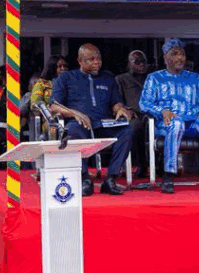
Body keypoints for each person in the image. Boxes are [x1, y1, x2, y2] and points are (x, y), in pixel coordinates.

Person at [50, 44, 138, 196]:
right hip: (80, 124)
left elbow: (115, 102)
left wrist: (120, 109)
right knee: (72, 130)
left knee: (127, 129)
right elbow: (54, 106)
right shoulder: (66, 78)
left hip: (104, 123)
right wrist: (74, 113)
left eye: (98, 59)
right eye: (91, 59)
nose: (97, 62)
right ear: (80, 61)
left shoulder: (108, 77)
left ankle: (111, 178)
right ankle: (85, 179)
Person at [139, 39, 199, 194]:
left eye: (182, 54)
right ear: (165, 58)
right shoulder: (154, 78)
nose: (180, 58)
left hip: (192, 122)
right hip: (167, 123)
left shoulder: (194, 78)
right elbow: (144, 103)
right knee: (176, 124)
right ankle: (168, 175)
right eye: (175, 54)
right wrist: (162, 111)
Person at [114, 51, 149, 174]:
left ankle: (161, 166)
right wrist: (125, 109)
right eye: (136, 62)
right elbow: (117, 99)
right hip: (132, 114)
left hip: (151, 115)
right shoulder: (121, 79)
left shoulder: (152, 78)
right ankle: (139, 165)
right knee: (133, 127)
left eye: (143, 61)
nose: (141, 64)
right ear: (129, 64)